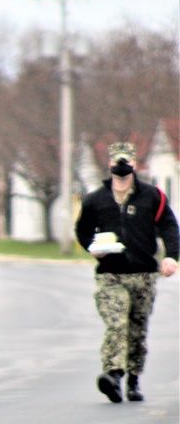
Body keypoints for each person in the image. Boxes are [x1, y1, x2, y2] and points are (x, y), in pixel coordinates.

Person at [75, 141, 178, 402]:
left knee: (137, 329)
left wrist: (171, 257)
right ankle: (113, 374)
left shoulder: (152, 196)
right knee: (116, 322)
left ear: (134, 164)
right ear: (110, 164)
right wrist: (91, 247)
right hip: (110, 274)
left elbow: (169, 226)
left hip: (143, 274)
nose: (122, 166)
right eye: (117, 161)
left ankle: (133, 379)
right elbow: (82, 230)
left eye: (127, 161)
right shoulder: (96, 200)